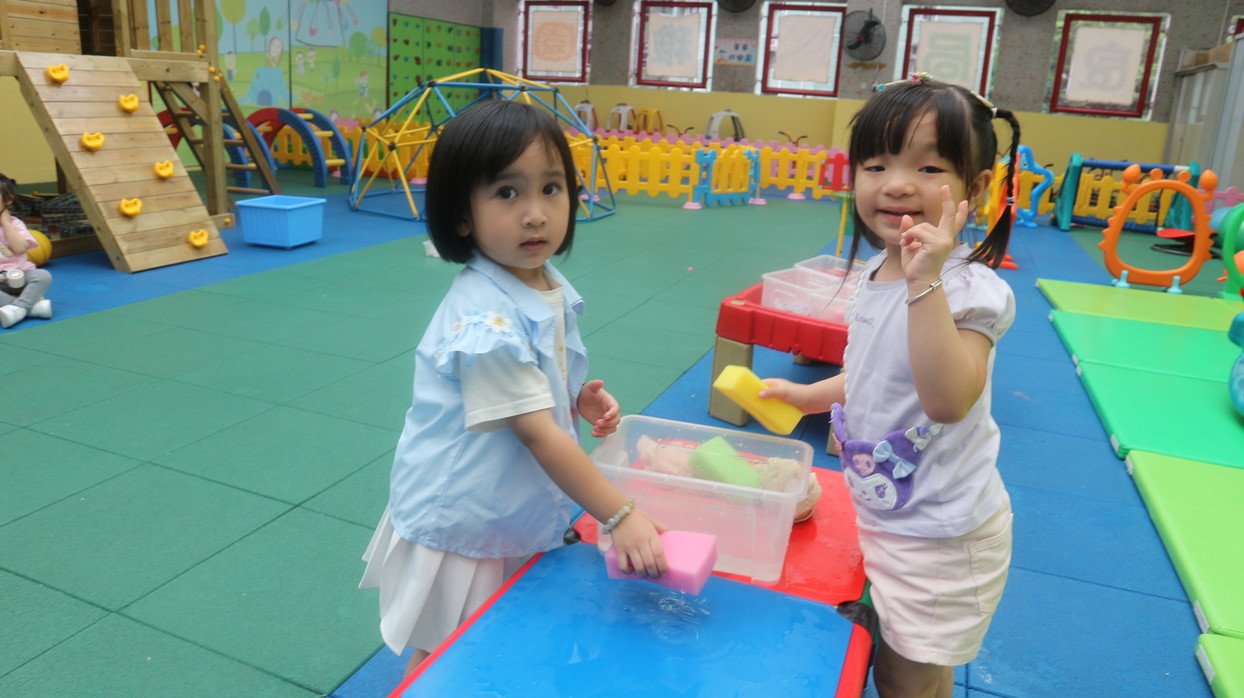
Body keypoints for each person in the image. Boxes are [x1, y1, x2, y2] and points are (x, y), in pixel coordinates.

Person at [359, 100, 667, 676]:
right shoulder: (485, 324)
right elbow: (537, 434)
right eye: (507, 193)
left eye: (551, 189)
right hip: (467, 518)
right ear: (461, 217)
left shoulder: (540, 280)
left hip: (508, 504)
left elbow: (540, 373)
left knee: (497, 637)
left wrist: (575, 395)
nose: (535, 214)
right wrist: (620, 514)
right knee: (449, 650)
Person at [759, 74, 1020, 698]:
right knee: (890, 659)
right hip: (889, 512)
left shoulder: (970, 290)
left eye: (928, 168)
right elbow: (874, 371)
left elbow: (948, 399)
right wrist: (810, 396)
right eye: (876, 165)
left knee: (907, 677)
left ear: (975, 188)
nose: (897, 184)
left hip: (942, 535)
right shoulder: (878, 269)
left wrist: (926, 281)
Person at [0, 174, 53, 329]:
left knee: (43, 276)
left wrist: (5, 223)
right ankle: (28, 308)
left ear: (8, 200)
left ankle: (16, 308)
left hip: (21, 276)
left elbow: (20, 248)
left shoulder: (15, 224)